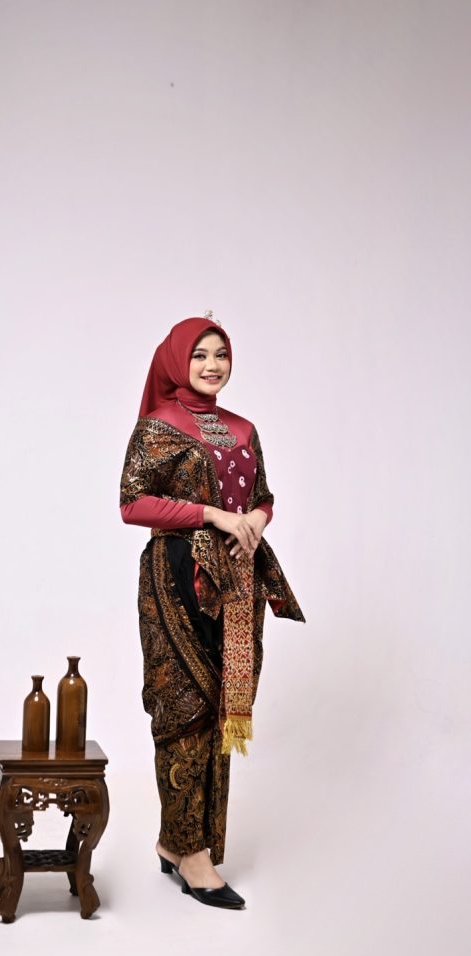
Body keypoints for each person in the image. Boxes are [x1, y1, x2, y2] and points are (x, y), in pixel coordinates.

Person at [119, 315, 304, 909]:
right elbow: (132, 504)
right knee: (183, 707)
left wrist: (255, 520)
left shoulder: (243, 428)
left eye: (220, 354)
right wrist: (212, 515)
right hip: (175, 578)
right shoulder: (158, 425)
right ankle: (192, 854)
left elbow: (263, 496)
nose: (212, 365)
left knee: (223, 707)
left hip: (236, 582)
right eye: (199, 354)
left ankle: (177, 843)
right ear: (178, 361)